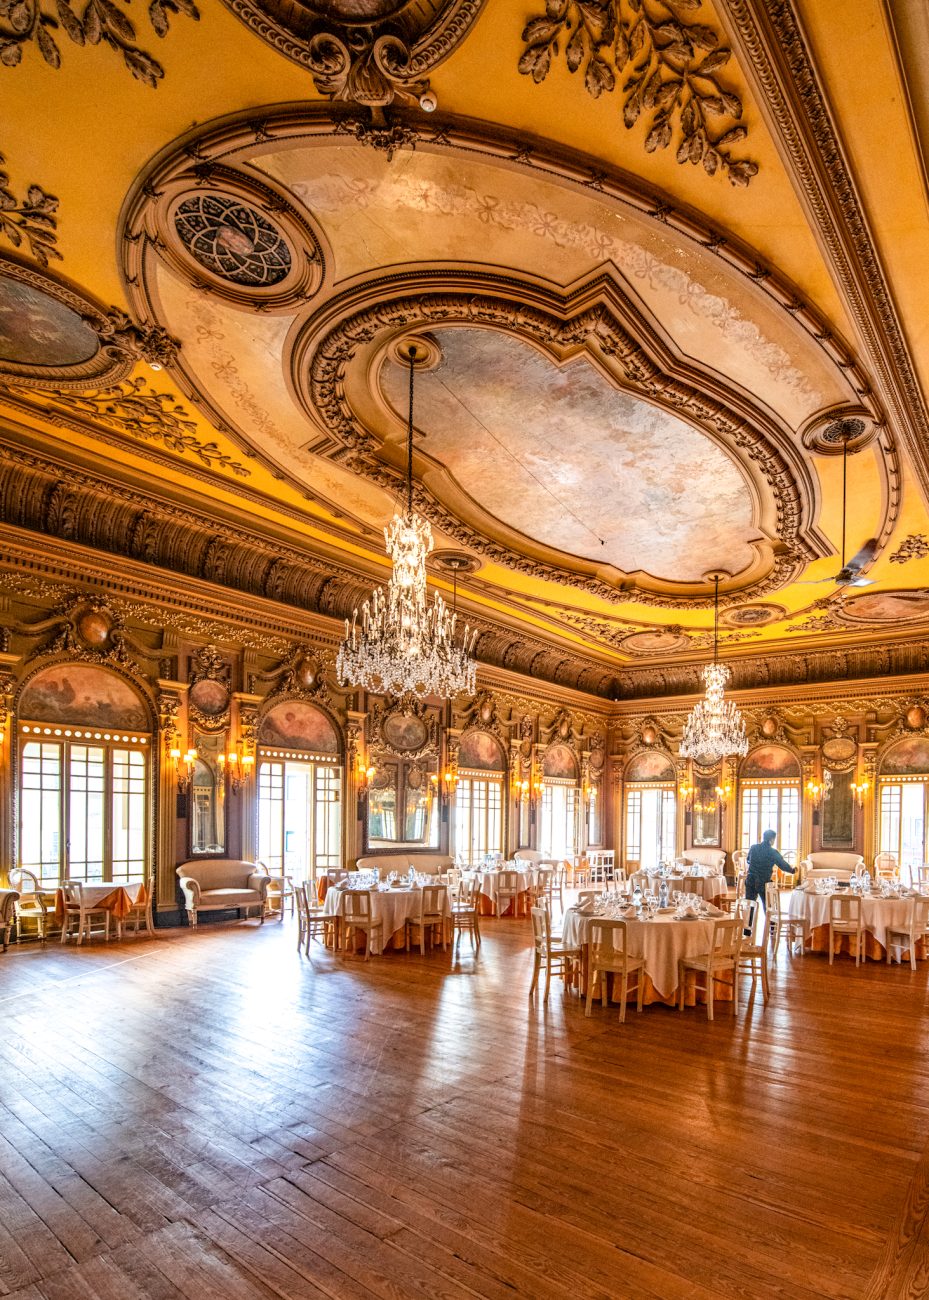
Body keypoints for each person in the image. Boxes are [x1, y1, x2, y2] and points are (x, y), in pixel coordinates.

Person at [744, 829, 795, 930]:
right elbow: (782, 865)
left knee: (750, 905)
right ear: (772, 839)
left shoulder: (753, 847)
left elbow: (748, 860)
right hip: (763, 882)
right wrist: (792, 870)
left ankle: (747, 930)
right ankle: (771, 929)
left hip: (750, 879)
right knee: (768, 906)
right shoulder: (772, 852)